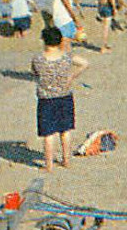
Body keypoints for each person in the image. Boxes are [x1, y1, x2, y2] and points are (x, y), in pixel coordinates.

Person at [32, 27, 88, 172]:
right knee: (65, 130)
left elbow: (34, 73)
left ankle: (49, 165)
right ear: (60, 41)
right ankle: (66, 160)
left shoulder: (38, 59)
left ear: (44, 40)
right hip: (65, 96)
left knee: (48, 134)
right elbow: (85, 63)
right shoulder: (66, 57)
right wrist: (72, 76)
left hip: (46, 99)